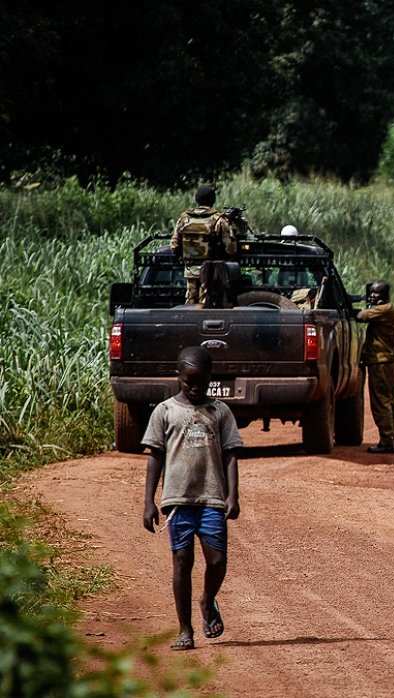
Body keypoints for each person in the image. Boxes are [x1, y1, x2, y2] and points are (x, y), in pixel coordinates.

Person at [141, 345, 243, 651]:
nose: (196, 388)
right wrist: (148, 501)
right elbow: (155, 455)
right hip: (178, 499)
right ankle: (185, 630)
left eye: (201, 382)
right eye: (189, 382)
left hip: (212, 497)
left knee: (218, 561)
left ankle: (208, 600)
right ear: (178, 377)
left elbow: (231, 454)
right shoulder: (165, 411)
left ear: (211, 377)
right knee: (182, 561)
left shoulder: (220, 411)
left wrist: (233, 495)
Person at [171, 184, 238, 305]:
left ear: (197, 199)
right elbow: (231, 248)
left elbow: (174, 245)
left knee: (190, 303)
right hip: (211, 272)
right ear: (213, 200)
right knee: (207, 304)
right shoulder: (219, 220)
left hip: (190, 270)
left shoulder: (184, 219)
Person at [359, 280, 394, 454]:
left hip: (381, 363)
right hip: (389, 362)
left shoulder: (384, 309)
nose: (372, 296)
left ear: (384, 295)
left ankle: (387, 441)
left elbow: (361, 316)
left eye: (375, 293)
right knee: (388, 402)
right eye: (371, 292)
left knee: (380, 403)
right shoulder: (387, 309)